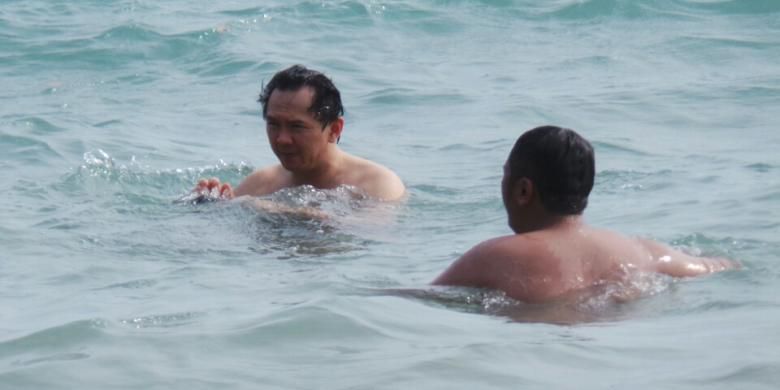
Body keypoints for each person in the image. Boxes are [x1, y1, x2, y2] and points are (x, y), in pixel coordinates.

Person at [432, 126, 737, 304]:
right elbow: (722, 266)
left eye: (505, 176)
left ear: (523, 190)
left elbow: (429, 298)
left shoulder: (495, 256)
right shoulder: (643, 251)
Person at [194, 65, 405, 202]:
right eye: (274, 124)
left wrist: (270, 212)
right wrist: (210, 203)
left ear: (334, 129)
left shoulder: (377, 183)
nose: (282, 139)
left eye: (297, 127)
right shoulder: (260, 184)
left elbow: (367, 232)